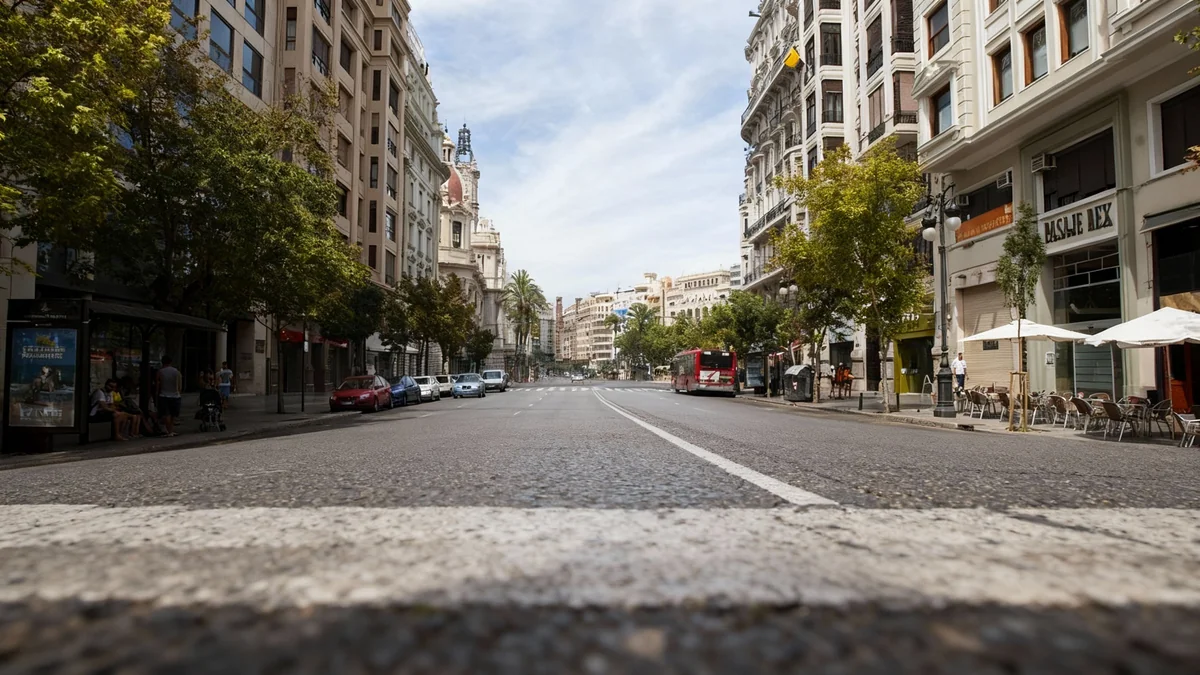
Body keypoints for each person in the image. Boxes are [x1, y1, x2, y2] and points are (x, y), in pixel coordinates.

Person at [157, 356, 182, 437]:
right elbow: (179, 385)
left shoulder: (160, 372)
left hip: (164, 394)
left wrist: (156, 393)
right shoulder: (176, 371)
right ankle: (171, 430)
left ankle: (169, 431)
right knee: (173, 414)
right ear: (171, 362)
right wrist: (178, 392)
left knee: (166, 414)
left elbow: (158, 383)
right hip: (175, 395)